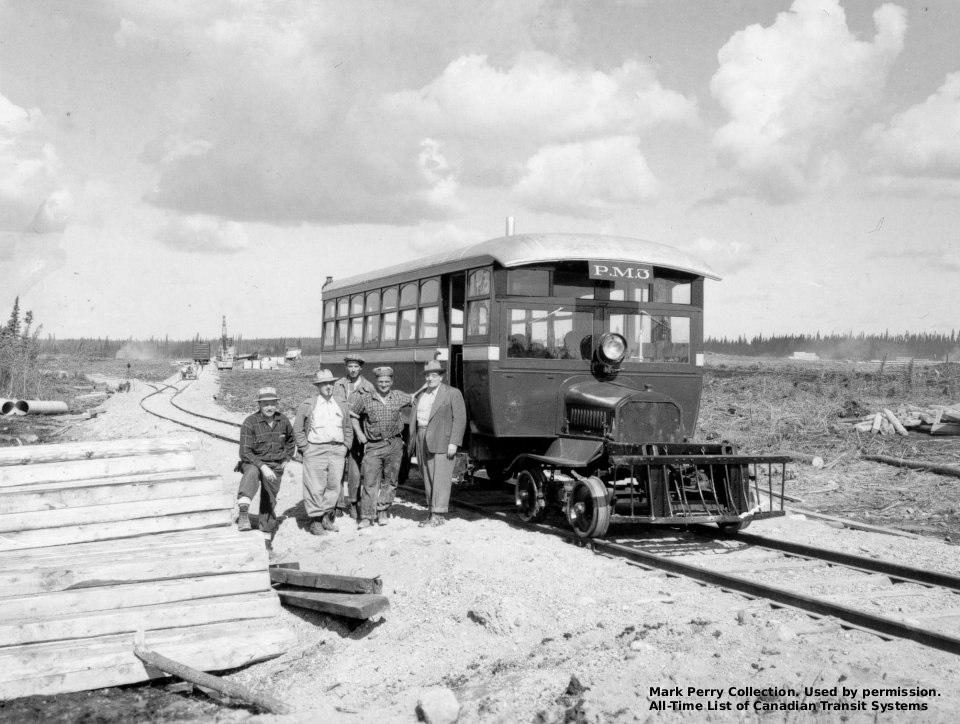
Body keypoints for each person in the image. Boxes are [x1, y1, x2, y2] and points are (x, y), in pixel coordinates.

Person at [350, 366, 412, 529]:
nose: (384, 384)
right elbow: (353, 416)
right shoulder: (365, 398)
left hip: (394, 444)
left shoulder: (399, 396)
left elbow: (416, 401)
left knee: (390, 481)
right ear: (376, 382)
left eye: (387, 381)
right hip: (373, 446)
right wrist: (360, 434)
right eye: (380, 381)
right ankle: (367, 516)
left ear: (391, 382)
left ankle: (383, 511)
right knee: (370, 481)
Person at [294, 369, 353, 536]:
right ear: (318, 386)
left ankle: (327, 517)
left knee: (334, 485)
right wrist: (305, 448)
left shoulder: (340, 403)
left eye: (330, 383)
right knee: (314, 486)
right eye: (324, 384)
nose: (328, 387)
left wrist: (345, 446)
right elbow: (298, 429)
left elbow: (348, 427)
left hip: (337, 450)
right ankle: (315, 521)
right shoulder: (308, 404)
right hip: (315, 450)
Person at [237, 387, 297, 549]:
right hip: (253, 461)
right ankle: (243, 511)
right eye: (265, 404)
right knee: (252, 471)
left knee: (269, 500)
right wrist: (263, 467)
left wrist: (287, 457)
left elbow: (291, 440)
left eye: (272, 404)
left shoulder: (283, 420)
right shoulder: (250, 422)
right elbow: (244, 452)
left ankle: (266, 539)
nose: (269, 408)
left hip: (276, 464)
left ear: (277, 404)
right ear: (259, 405)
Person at [409, 360, 466, 527]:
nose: (430, 378)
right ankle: (432, 512)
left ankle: (439, 515)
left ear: (441, 377)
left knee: (440, 477)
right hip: (422, 436)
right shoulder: (421, 395)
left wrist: (454, 442)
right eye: (427, 375)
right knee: (427, 476)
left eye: (434, 375)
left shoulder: (452, 393)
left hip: (442, 439)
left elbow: (460, 419)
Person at [333, 355, 375, 519]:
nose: (353, 369)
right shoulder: (338, 385)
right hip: (338, 432)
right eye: (350, 366)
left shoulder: (368, 387)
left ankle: (353, 503)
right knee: (336, 469)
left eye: (356, 367)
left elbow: (370, 411)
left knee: (354, 470)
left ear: (361, 368)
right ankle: (336, 504)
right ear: (346, 368)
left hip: (357, 432)